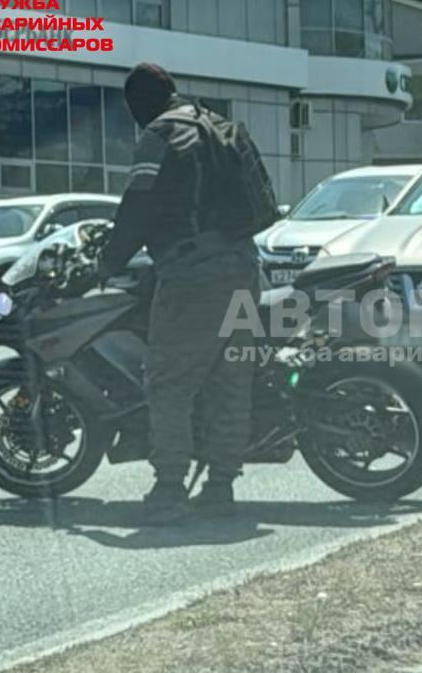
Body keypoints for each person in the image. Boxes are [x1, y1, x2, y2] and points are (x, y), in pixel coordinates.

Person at [99, 62, 266, 524]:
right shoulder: (212, 122)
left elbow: (138, 204)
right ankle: (220, 488)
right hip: (244, 268)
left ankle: (169, 489)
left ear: (139, 103)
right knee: (229, 380)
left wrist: (110, 260)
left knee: (169, 381)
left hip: (195, 275)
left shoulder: (159, 134)